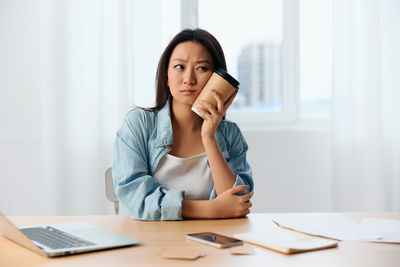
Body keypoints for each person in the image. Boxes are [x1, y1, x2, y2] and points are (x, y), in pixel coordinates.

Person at [112, 29, 254, 221]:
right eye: (179, 67)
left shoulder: (230, 134)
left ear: (216, 78)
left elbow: (236, 203)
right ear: (166, 77)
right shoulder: (138, 123)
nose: (189, 79)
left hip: (210, 243)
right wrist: (210, 209)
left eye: (201, 68)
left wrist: (209, 138)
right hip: (148, 241)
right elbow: (136, 197)